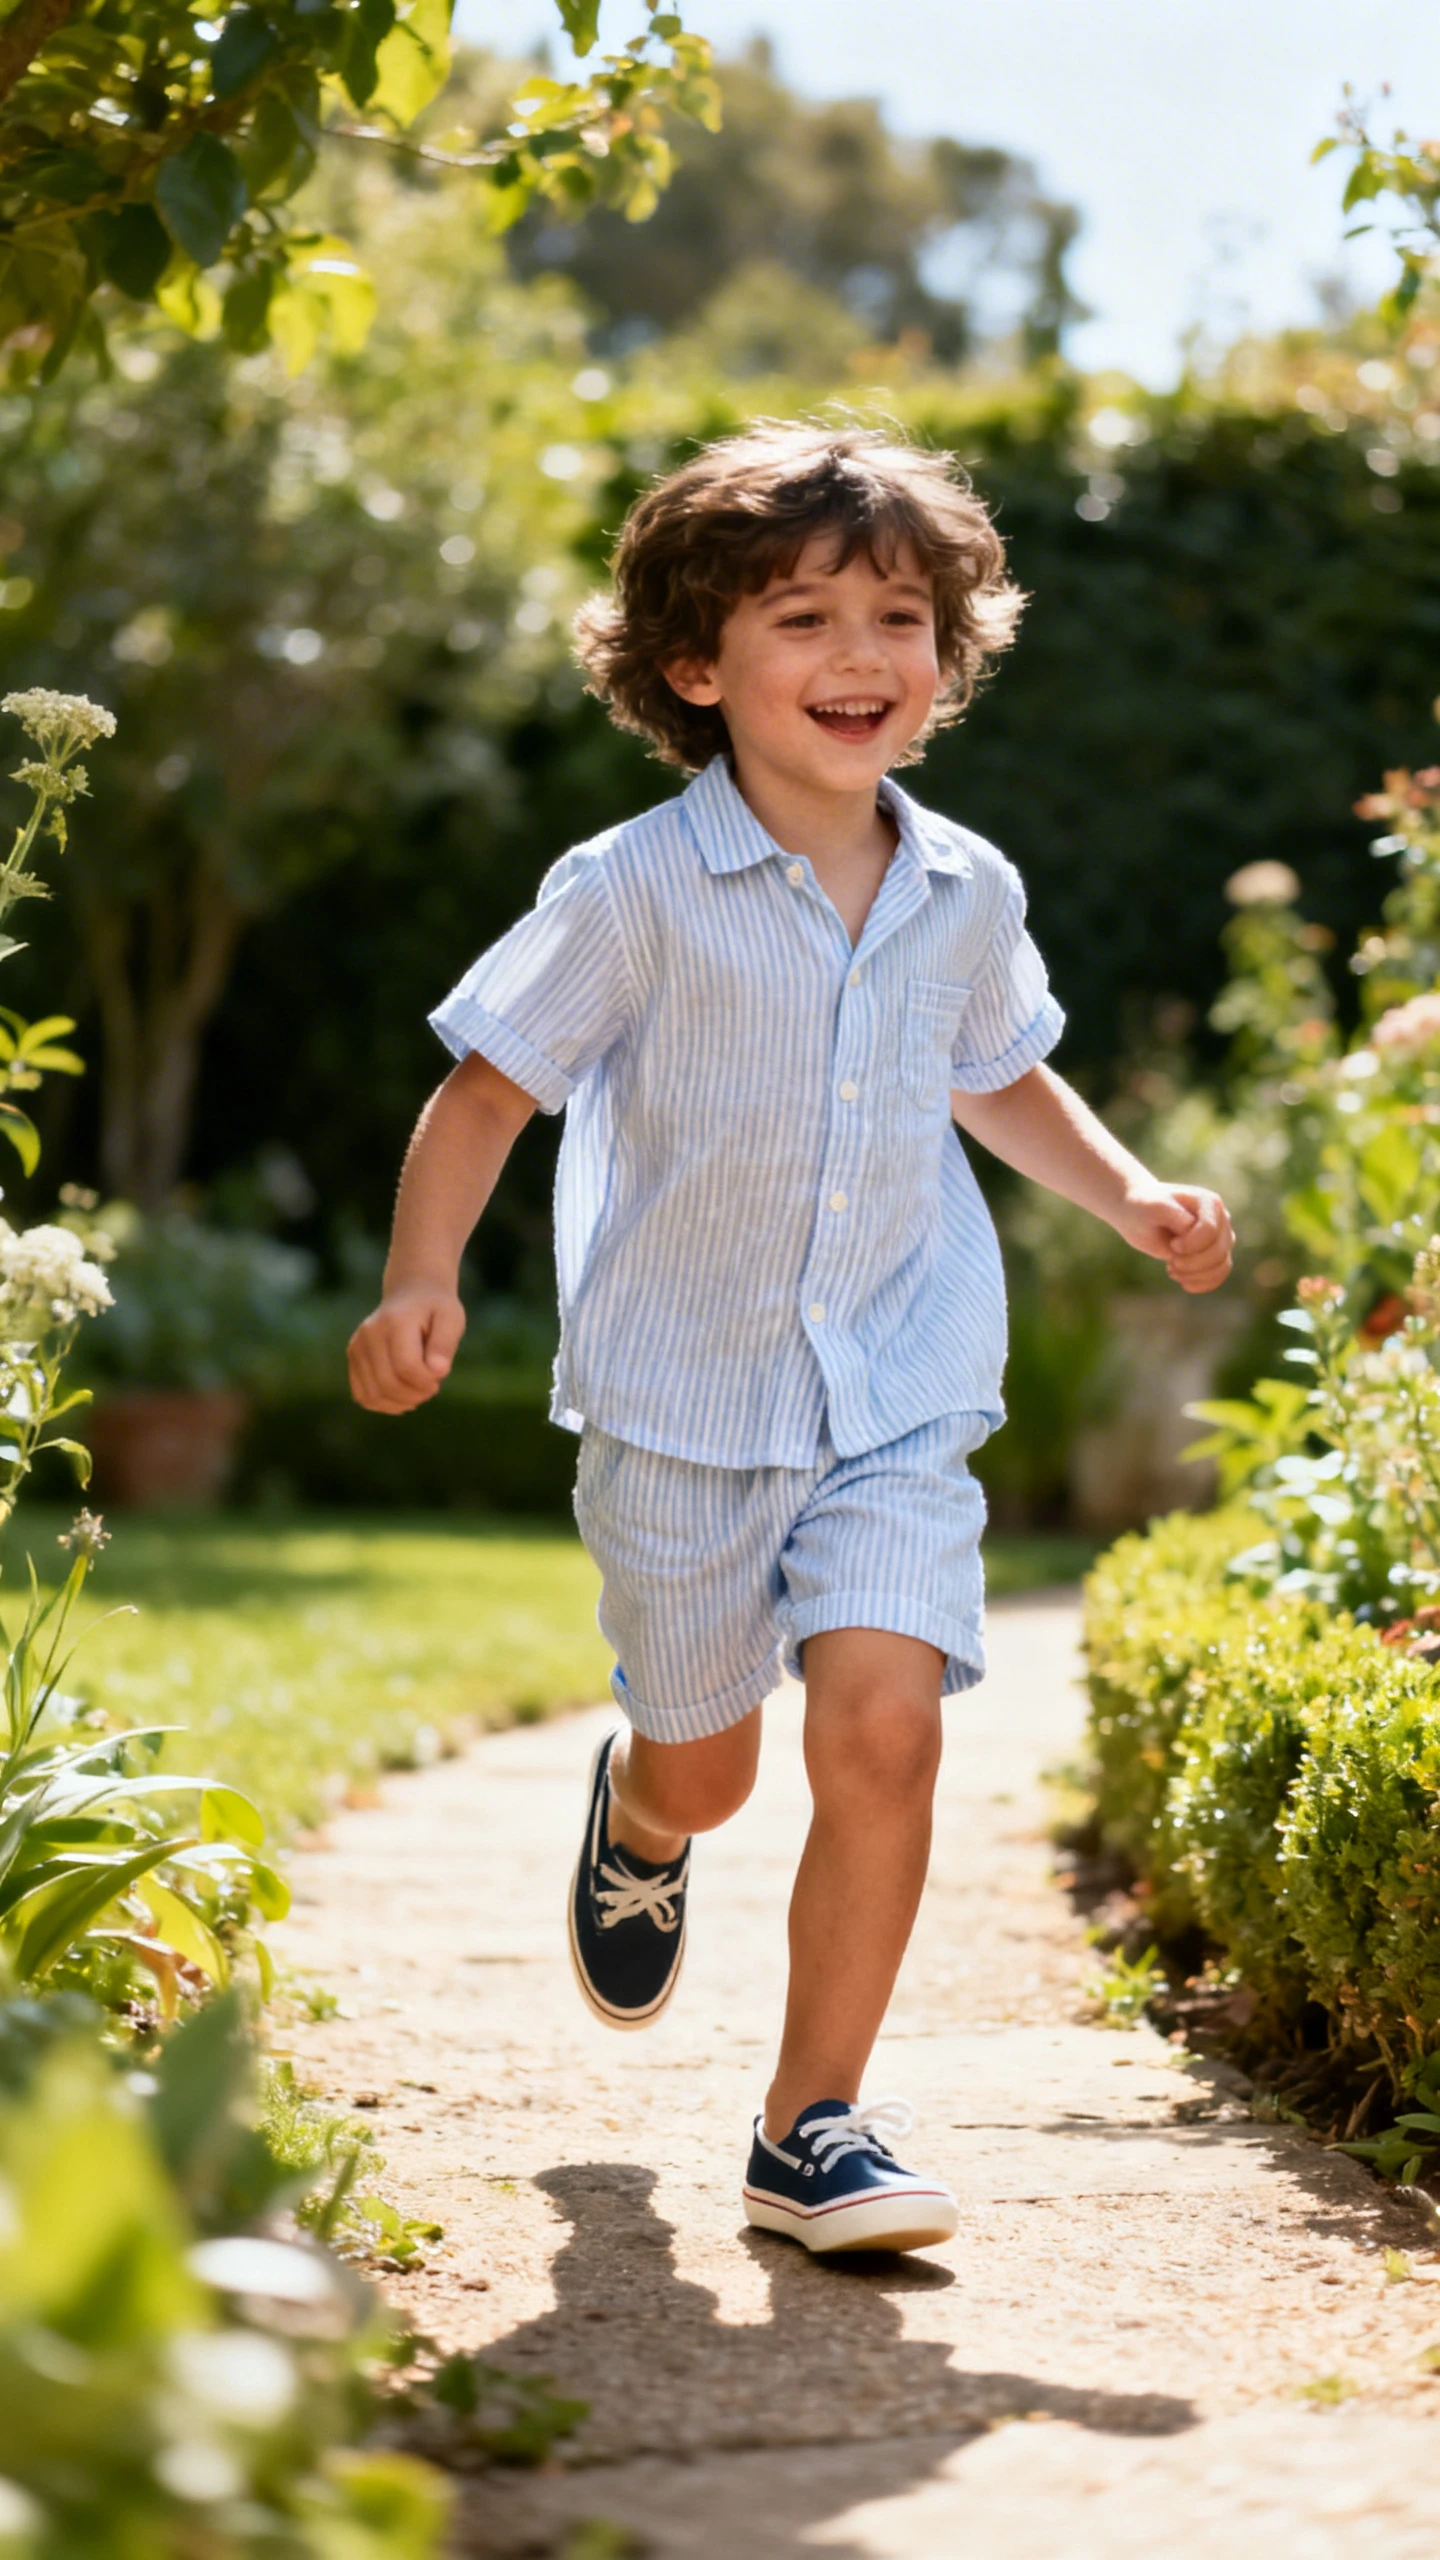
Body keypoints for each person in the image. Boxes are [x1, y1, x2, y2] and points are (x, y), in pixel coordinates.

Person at [348, 422, 1233, 2257]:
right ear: (697, 666)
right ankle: (646, 1818)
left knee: (887, 1722)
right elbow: (490, 1090)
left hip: (898, 1386)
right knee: (713, 1764)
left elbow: (996, 1072)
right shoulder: (629, 889)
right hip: (683, 1400)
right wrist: (421, 1274)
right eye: (805, 619)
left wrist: (1130, 1189)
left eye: (899, 618)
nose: (860, 659)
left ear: (949, 654)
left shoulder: (966, 887)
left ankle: (810, 2123)